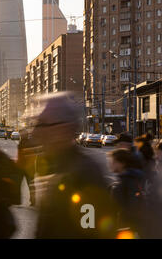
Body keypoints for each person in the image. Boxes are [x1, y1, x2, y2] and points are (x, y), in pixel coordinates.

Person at [33, 93, 116, 239]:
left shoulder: (85, 174)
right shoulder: (58, 165)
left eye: (42, 125)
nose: (35, 133)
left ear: (64, 128)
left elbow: (90, 230)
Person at [109, 149, 146, 237]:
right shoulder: (125, 180)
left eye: (113, 161)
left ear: (122, 163)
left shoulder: (128, 181)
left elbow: (132, 207)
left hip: (126, 230)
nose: (110, 164)